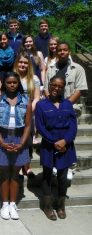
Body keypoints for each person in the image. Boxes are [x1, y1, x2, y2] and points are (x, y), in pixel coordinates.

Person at [35, 75, 77, 220]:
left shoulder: (68, 104)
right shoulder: (41, 105)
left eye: (60, 86)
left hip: (66, 146)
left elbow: (73, 126)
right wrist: (55, 142)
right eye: (54, 85)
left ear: (63, 88)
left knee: (62, 176)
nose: (56, 88)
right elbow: (40, 127)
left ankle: (60, 205)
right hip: (49, 146)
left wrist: (65, 141)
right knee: (47, 175)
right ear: (50, 85)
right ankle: (47, 206)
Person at [0, 72, 31, 220]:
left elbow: (28, 126)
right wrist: (2, 142)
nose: (12, 85)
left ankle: (13, 203)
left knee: (15, 173)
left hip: (19, 137)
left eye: (14, 82)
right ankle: (5, 204)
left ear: (18, 83)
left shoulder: (26, 101)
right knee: (4, 172)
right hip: (3, 137)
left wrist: (21, 143)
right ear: (5, 84)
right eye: (8, 82)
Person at [14, 52, 40, 177]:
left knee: (28, 142)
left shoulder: (34, 79)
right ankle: (18, 166)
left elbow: (36, 98)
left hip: (29, 114)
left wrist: (29, 111)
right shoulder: (12, 77)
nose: (23, 64)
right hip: (14, 115)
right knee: (16, 141)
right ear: (17, 63)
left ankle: (27, 167)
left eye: (25, 62)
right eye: (20, 62)